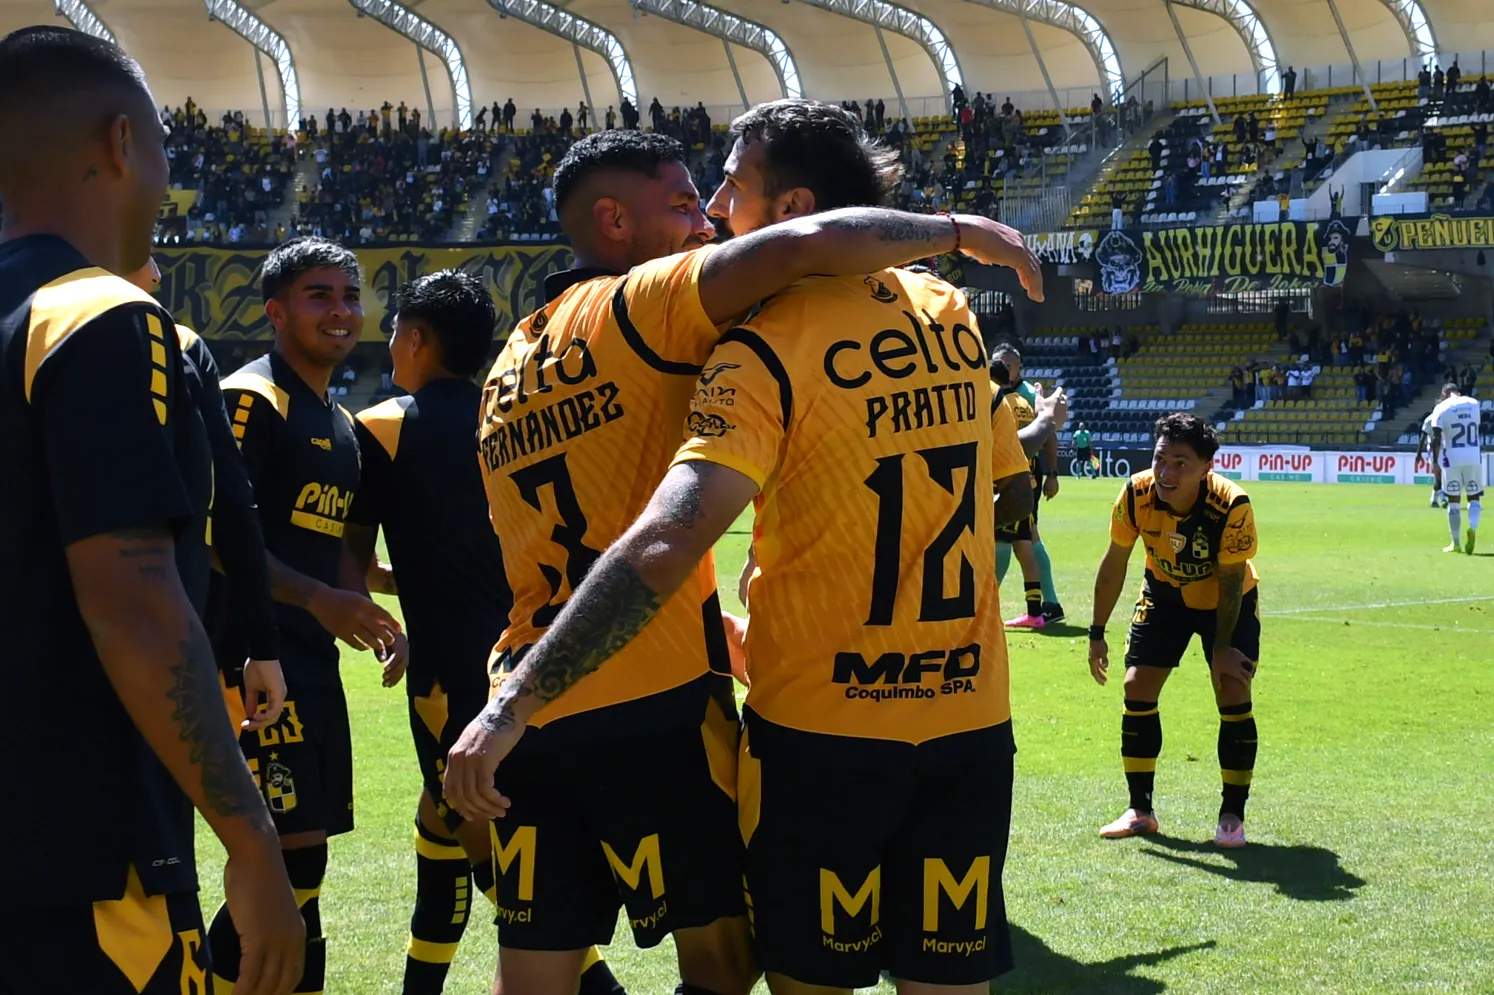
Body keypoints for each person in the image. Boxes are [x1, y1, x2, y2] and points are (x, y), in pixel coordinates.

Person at [451, 96, 1042, 995]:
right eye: (693, 199)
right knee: (730, 967)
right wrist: (957, 231)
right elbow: (997, 484)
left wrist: (513, 704)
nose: (713, 217)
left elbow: (640, 531)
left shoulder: (512, 368)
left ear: (797, 203)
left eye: (721, 191)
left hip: (674, 705)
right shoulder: (948, 313)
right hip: (933, 715)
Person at [0, 25, 304, 995]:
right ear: (122, 143)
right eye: (167, 149)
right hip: (76, 858)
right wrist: (252, 839)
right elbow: (131, 595)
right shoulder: (94, 313)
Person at [343, 271, 624, 995]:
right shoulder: (511, 414)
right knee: (438, 834)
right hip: (535, 659)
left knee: (497, 867)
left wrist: (369, 602)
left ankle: (605, 990)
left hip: (450, 679)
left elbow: (346, 562)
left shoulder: (380, 426)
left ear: (414, 338)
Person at [207, 237, 408, 995]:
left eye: (350, 296)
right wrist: (324, 600)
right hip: (251, 655)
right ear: (276, 312)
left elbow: (332, 553)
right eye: (319, 296)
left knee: (306, 865)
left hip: (311, 662)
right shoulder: (251, 400)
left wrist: (386, 604)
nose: (341, 311)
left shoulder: (342, 424)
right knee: (282, 860)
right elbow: (224, 534)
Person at [126, 258, 288, 735]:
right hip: (164, 643)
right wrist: (264, 645)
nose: (156, 274)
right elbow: (233, 502)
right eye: (142, 256)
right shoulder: (177, 344)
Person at [1088, 414, 1260, 848]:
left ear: (1207, 467)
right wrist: (1096, 631)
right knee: (1137, 685)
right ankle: (1140, 811)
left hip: (1227, 600)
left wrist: (1222, 648)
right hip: (1165, 592)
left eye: (1181, 463)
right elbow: (1114, 565)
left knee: (1232, 688)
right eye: (1160, 458)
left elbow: (1229, 581)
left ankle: (1231, 817)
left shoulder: (1231, 505)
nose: (1166, 472)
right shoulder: (1135, 494)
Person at [992, 344, 1067, 626]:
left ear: (1019, 368)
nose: (1007, 369)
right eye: (1002, 364)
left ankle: (988, 603)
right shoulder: (995, 391)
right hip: (1006, 471)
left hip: (1022, 472)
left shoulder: (1025, 395)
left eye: (1012, 365)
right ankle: (1047, 604)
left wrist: (1052, 473)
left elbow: (1048, 434)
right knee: (1025, 537)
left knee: (1009, 537)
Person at [1430, 383, 1483, 553]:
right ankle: (1473, 527)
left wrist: (1434, 462)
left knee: (1453, 501)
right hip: (1473, 456)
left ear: (1444, 393)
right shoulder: (1474, 404)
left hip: (1451, 458)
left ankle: (1456, 543)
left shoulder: (1440, 408)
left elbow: (1436, 438)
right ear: (1458, 392)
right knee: (1474, 497)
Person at [1416, 406, 1446, 508]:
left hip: (1445, 449)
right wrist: (1418, 453)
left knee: (1440, 476)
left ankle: (1434, 499)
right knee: (1440, 474)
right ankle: (1443, 498)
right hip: (1433, 450)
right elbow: (1423, 437)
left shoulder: (1447, 418)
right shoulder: (1429, 420)